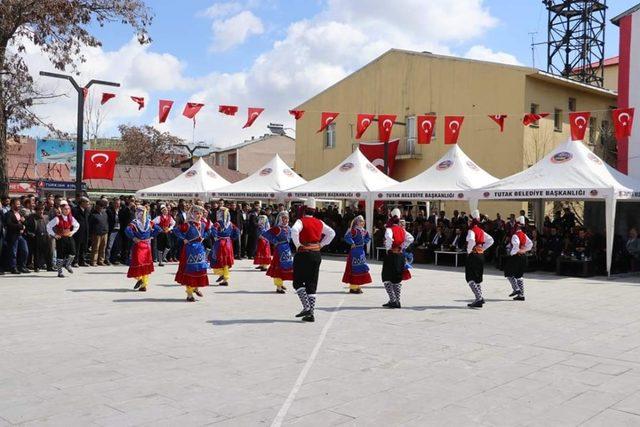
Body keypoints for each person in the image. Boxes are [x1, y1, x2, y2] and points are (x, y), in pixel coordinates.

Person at [291, 198, 336, 322]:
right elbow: (332, 233)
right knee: (312, 283)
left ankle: (307, 308)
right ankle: (311, 312)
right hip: (316, 254)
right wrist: (321, 244)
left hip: (304, 253)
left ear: (304, 210)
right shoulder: (319, 222)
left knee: (298, 282)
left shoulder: (301, 221)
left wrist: (297, 244)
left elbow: (294, 230)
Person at [174, 205, 210, 302]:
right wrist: (183, 239)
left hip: (199, 249)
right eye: (197, 213)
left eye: (200, 213)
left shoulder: (202, 224)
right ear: (192, 214)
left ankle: (196, 287)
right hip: (189, 249)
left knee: (200, 269)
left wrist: (204, 237)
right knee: (190, 271)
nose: (199, 215)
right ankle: (189, 294)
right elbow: (176, 230)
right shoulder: (188, 224)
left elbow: (208, 231)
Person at [381, 209, 414, 308]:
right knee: (397, 278)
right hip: (400, 255)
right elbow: (411, 238)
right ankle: (397, 301)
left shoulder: (389, 229)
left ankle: (392, 300)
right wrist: (402, 246)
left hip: (391, 255)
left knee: (386, 278)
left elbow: (389, 238)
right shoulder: (402, 230)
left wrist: (388, 248)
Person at [124, 206, 161, 292]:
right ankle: (144, 284)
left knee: (136, 264)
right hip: (147, 245)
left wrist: (133, 237)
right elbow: (158, 229)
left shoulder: (135, 222)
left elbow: (127, 230)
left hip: (138, 245)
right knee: (145, 265)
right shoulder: (149, 222)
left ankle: (140, 280)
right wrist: (151, 235)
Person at [465, 210, 495, 308]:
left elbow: (472, 241)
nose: (467, 222)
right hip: (481, 255)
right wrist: (482, 248)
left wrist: (469, 251)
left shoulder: (471, 230)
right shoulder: (480, 230)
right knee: (477, 278)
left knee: (470, 278)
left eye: (469, 220)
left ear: (471, 221)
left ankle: (479, 298)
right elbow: (491, 240)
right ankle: (479, 299)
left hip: (473, 255)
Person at [262, 211, 294, 294]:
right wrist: (275, 241)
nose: (285, 220)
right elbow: (266, 234)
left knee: (286, 266)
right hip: (279, 249)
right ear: (280, 219)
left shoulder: (289, 228)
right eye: (283, 218)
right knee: (279, 266)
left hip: (287, 249)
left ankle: (281, 282)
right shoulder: (277, 228)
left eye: (287, 218)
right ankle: (278, 286)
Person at [46, 200, 79, 278]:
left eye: (68, 209)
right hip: (60, 238)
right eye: (65, 209)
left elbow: (77, 225)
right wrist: (54, 234)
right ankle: (59, 272)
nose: (67, 210)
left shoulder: (71, 218)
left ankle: (67, 265)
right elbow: (48, 226)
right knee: (60, 255)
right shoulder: (57, 218)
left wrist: (72, 232)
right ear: (62, 210)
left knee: (73, 252)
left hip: (69, 236)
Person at [503, 216, 533, 301]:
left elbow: (516, 246)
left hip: (516, 256)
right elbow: (530, 244)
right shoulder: (524, 235)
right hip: (523, 256)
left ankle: (516, 289)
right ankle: (521, 295)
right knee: (519, 276)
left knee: (508, 273)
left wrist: (513, 253)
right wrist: (524, 250)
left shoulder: (515, 235)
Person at [209, 207, 240, 286]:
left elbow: (213, 229)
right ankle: (225, 279)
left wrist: (216, 237)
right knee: (225, 261)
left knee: (216, 258)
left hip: (220, 243)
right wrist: (232, 238)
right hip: (228, 243)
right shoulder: (230, 223)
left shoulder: (218, 223)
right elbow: (237, 231)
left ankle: (221, 274)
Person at [342, 215, 372, 294]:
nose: (363, 223)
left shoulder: (364, 231)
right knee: (354, 269)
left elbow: (368, 238)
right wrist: (352, 242)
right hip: (355, 251)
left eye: (363, 221)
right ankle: (353, 287)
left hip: (361, 251)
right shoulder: (353, 230)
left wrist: (364, 242)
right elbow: (346, 237)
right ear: (357, 222)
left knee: (361, 268)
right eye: (361, 221)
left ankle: (358, 286)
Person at [24, 203, 53, 272]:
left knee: (49, 252)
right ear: (36, 211)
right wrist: (31, 234)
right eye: (39, 210)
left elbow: (49, 226)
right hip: (36, 237)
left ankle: (49, 266)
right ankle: (37, 267)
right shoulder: (31, 217)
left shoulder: (46, 217)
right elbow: (27, 228)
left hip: (46, 237)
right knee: (37, 253)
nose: (41, 211)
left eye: (42, 210)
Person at [5, 198, 30, 274]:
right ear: (12, 205)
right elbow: (9, 224)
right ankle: (13, 267)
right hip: (13, 236)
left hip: (20, 236)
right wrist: (20, 226)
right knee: (13, 252)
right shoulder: (8, 214)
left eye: (19, 204)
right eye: (17, 204)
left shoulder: (19, 213)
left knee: (25, 251)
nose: (19, 205)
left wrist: (24, 221)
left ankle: (22, 266)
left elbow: (25, 224)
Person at [89, 200, 109, 266]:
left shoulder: (104, 213)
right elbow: (90, 224)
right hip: (96, 234)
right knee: (95, 248)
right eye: (100, 206)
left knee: (103, 248)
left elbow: (106, 222)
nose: (102, 208)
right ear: (97, 206)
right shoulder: (93, 214)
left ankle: (101, 261)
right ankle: (93, 261)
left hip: (104, 233)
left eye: (103, 207)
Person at [71, 197, 90, 267]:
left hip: (85, 231)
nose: (88, 204)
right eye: (87, 202)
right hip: (77, 232)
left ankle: (82, 261)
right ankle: (75, 261)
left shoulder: (87, 210)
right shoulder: (75, 210)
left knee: (84, 247)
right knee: (77, 247)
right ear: (82, 202)